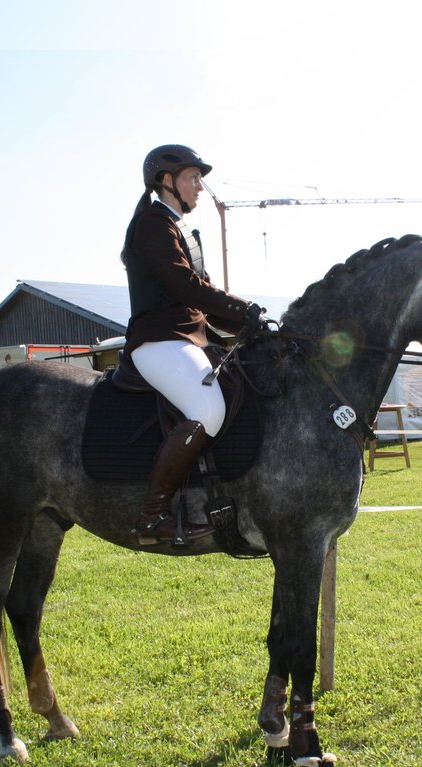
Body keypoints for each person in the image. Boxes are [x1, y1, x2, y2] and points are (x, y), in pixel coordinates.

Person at [120, 144, 266, 545]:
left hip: (190, 337)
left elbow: (200, 297)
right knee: (207, 408)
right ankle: (152, 516)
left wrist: (248, 320)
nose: (200, 187)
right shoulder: (153, 224)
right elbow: (186, 287)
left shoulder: (180, 227)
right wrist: (241, 308)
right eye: (192, 178)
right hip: (159, 341)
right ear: (167, 181)